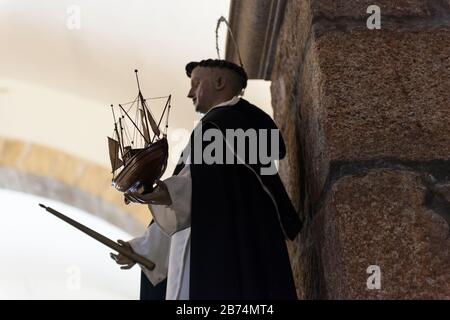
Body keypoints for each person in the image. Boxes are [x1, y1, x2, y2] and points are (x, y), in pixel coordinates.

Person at [110, 59, 302, 300]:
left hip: (222, 258)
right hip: (200, 253)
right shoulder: (215, 129)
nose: (190, 92)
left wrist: (166, 193)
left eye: (196, 83)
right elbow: (189, 204)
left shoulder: (225, 125)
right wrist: (140, 249)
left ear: (220, 82)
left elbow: (204, 188)